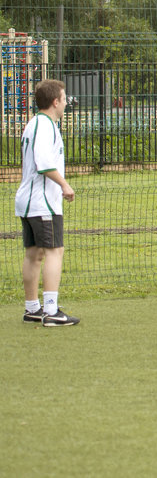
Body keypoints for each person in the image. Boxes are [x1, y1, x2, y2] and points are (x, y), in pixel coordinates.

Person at [17, 79, 78, 327]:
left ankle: (33, 308)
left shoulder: (34, 123)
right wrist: (64, 184)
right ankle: (51, 311)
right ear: (55, 101)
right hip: (42, 202)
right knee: (55, 250)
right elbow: (43, 164)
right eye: (64, 99)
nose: (66, 103)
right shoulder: (45, 125)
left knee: (34, 254)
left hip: (28, 201)